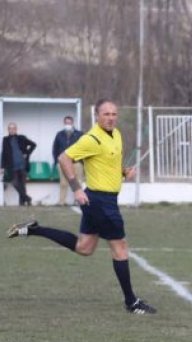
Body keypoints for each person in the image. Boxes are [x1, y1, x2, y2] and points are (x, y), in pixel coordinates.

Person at [6, 99, 156, 315]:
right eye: (106, 114)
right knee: (120, 247)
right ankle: (131, 302)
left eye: (114, 113)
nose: (111, 117)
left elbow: (107, 163)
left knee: (84, 247)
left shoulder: (116, 135)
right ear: (97, 115)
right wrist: (76, 188)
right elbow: (63, 158)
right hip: (100, 201)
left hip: (104, 200)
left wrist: (123, 172)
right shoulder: (91, 139)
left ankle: (33, 229)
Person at [2, 122, 37, 206]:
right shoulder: (5, 139)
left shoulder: (21, 137)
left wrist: (27, 153)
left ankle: (22, 203)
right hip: (12, 166)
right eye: (10, 128)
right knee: (15, 183)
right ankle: (27, 198)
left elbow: (33, 144)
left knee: (22, 185)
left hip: (22, 165)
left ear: (16, 129)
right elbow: (3, 153)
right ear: (8, 130)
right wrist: (2, 166)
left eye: (13, 128)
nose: (12, 130)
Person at [52, 115, 83, 206]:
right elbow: (55, 148)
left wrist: (81, 160)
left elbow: (83, 148)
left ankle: (78, 201)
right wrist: (57, 160)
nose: (68, 124)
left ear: (72, 123)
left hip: (76, 162)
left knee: (78, 182)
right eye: (66, 123)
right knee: (63, 183)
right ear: (64, 123)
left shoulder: (79, 134)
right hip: (62, 163)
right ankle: (61, 201)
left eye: (69, 123)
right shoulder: (59, 134)